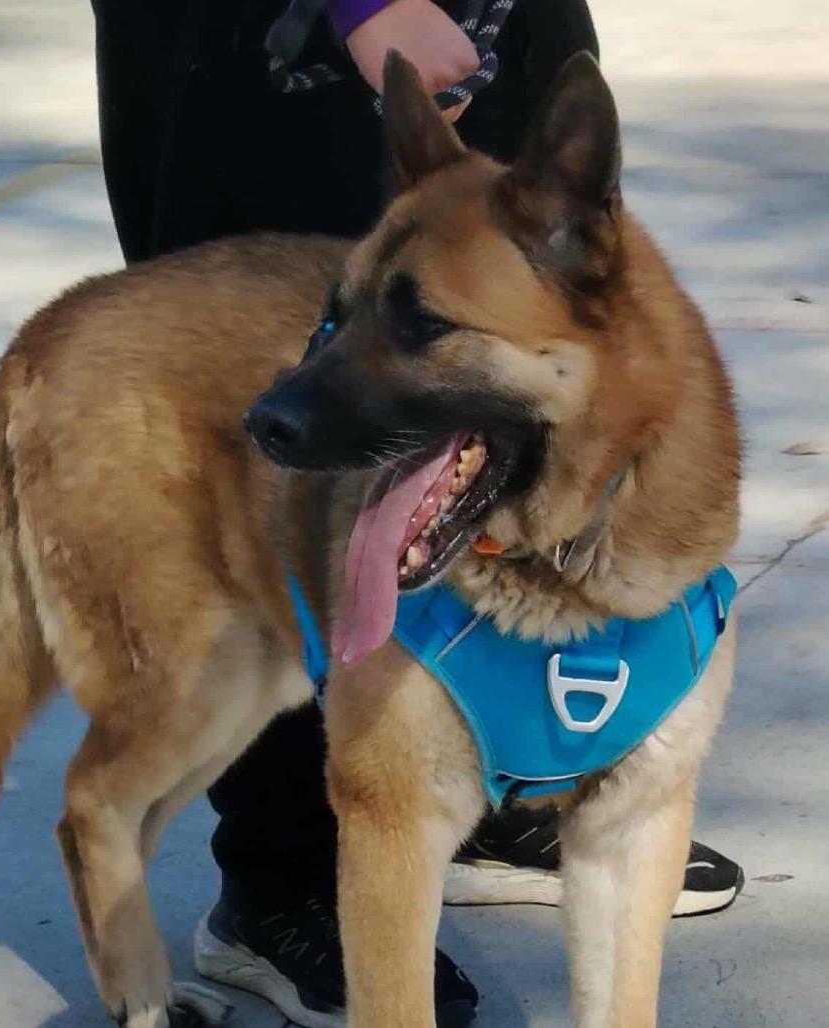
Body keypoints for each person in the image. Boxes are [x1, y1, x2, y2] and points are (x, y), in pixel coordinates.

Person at [88, 2, 745, 1025]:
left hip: (500, 48)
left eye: (419, 329)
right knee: (333, 664)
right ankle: (278, 883)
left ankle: (508, 787)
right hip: (257, 47)